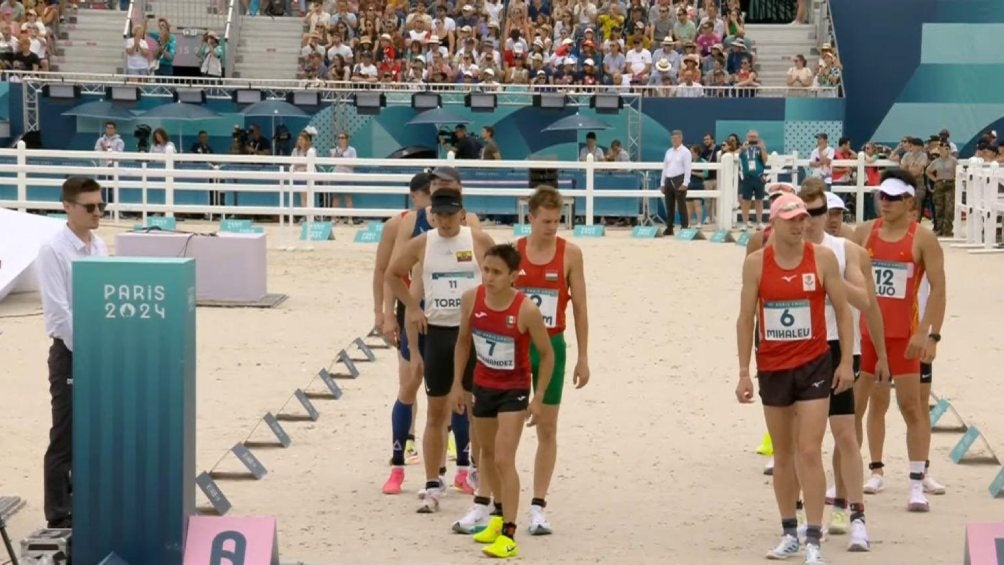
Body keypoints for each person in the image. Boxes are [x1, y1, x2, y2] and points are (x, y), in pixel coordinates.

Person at [455, 185, 590, 535]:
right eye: (545, 220)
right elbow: (488, 290)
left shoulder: (571, 254)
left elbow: (580, 307)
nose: (552, 227)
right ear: (530, 218)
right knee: (492, 436)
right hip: (511, 348)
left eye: (556, 220)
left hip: (551, 346)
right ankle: (483, 503)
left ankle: (538, 507)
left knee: (547, 425)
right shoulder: (513, 252)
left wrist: (584, 356)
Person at [736, 193, 854, 565]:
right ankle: (789, 531)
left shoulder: (822, 258)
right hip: (773, 367)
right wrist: (743, 371)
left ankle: (814, 539)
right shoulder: (757, 263)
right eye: (790, 219)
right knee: (784, 454)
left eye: (802, 218)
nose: (799, 224)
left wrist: (846, 362)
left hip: (814, 365)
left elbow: (843, 311)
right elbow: (745, 319)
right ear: (775, 223)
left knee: (809, 450)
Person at [386, 170, 495, 513]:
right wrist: (412, 307)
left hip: (475, 334)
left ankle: (477, 471)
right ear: (432, 215)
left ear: (462, 214)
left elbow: (507, 276)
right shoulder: (422, 243)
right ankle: (433, 482)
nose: (446, 221)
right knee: (436, 410)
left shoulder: (479, 240)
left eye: (452, 215)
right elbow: (391, 273)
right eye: (440, 215)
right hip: (439, 333)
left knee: (477, 408)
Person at [797, 181, 887, 552]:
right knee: (803, 443)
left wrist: (829, 274)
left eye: (821, 213)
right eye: (807, 214)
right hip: (798, 346)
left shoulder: (847, 251)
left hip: (837, 348)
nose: (814, 221)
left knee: (846, 436)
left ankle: (858, 519)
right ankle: (808, 517)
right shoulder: (782, 248)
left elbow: (866, 301)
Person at [851, 170, 947, 511]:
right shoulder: (864, 232)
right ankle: (858, 475)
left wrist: (929, 335)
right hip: (868, 338)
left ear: (909, 201)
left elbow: (938, 288)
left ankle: (916, 484)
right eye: (882, 196)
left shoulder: (922, 239)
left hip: (905, 339)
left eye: (892, 197)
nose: (885, 202)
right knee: (858, 410)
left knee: (912, 408)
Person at [451, 243, 554, 559]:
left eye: (496, 272)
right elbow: (463, 343)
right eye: (486, 269)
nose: (489, 277)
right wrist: (458, 384)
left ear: (513, 276)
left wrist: (538, 398)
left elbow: (547, 355)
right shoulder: (472, 299)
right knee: (485, 454)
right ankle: (496, 517)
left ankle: (509, 533)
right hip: (483, 386)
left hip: (514, 391)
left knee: (503, 459)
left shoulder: (526, 310)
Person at [36, 177, 110, 528]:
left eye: (101, 205)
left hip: (100, 348)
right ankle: (58, 513)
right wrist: (89, 349)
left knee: (96, 429)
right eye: (90, 206)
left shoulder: (100, 246)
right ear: (67, 206)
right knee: (65, 433)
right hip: (70, 351)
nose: (98, 212)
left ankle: (88, 500)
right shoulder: (53, 250)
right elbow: (58, 313)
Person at [377, 172, 434, 495]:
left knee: (452, 394)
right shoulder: (405, 226)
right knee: (409, 383)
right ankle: (401, 454)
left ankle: (456, 465)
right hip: (414, 310)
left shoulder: (469, 227)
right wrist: (385, 313)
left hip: (447, 318)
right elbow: (385, 272)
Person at [660, 129, 691, 236]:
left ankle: (684, 227)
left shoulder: (686, 152)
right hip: (668, 179)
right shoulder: (668, 152)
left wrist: (685, 183)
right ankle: (669, 227)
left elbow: (688, 168)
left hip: (679, 179)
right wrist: (662, 183)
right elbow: (665, 168)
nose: (674, 140)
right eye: (673, 138)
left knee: (681, 205)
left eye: (676, 138)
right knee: (669, 205)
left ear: (681, 138)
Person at [738, 130, 768, 230]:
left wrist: (763, 148)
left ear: (757, 138)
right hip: (748, 177)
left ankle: (759, 222)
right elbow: (736, 155)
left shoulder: (760, 148)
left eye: (754, 137)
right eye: (750, 136)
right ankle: (745, 223)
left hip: (759, 177)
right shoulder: (743, 148)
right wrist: (742, 149)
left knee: (759, 200)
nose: (752, 138)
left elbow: (765, 160)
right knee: (746, 201)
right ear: (747, 137)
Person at [330, 132, 357, 213]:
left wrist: (342, 160)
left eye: (343, 138)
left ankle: (350, 218)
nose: (341, 140)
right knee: (335, 198)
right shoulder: (335, 150)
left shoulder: (352, 150)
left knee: (348, 198)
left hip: (348, 176)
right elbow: (332, 163)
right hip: (336, 176)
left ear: (347, 139)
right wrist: (335, 156)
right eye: (339, 138)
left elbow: (354, 164)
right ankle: (334, 219)